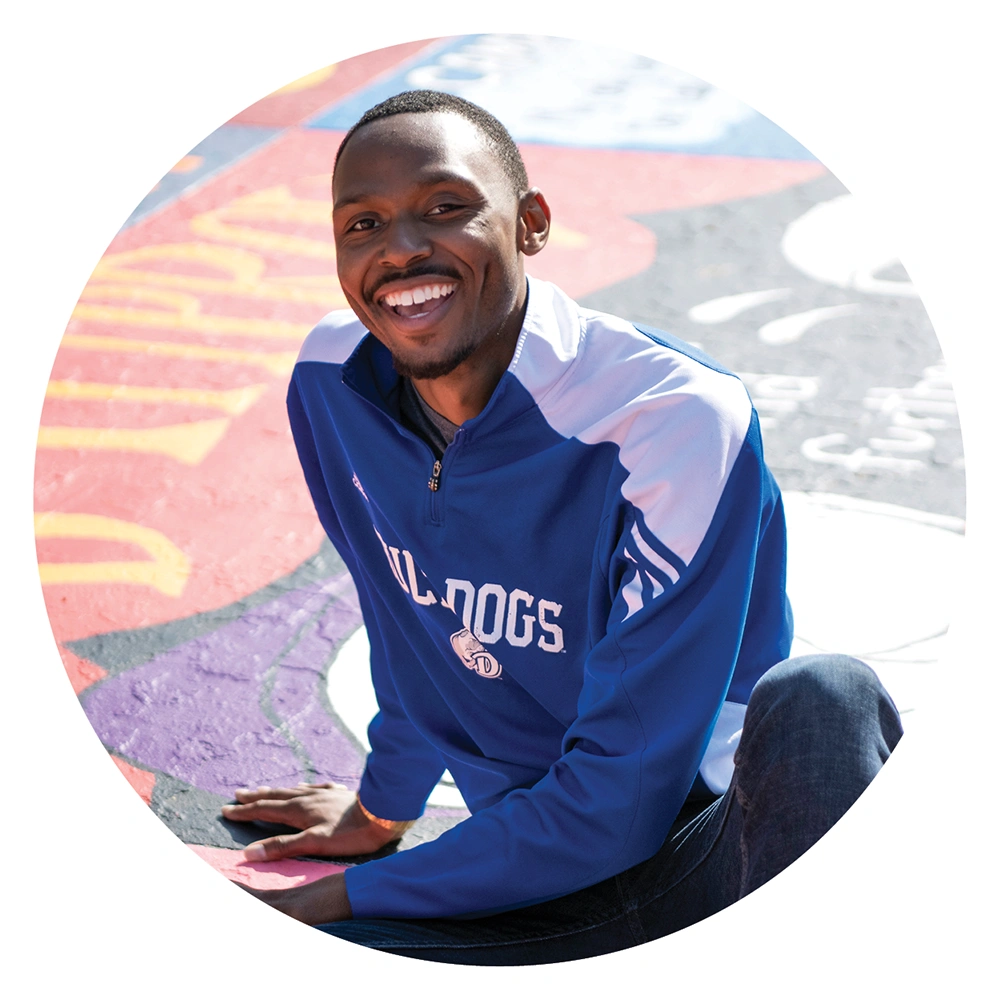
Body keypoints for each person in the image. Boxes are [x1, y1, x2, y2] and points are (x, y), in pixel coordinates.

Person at [221, 90, 902, 965]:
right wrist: (381, 810)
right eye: (363, 224)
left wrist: (340, 896)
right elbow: (406, 620)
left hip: (711, 855)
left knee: (826, 697)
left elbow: (623, 799)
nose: (400, 248)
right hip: (531, 887)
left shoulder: (671, 416)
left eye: (446, 206)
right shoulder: (330, 382)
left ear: (531, 223)